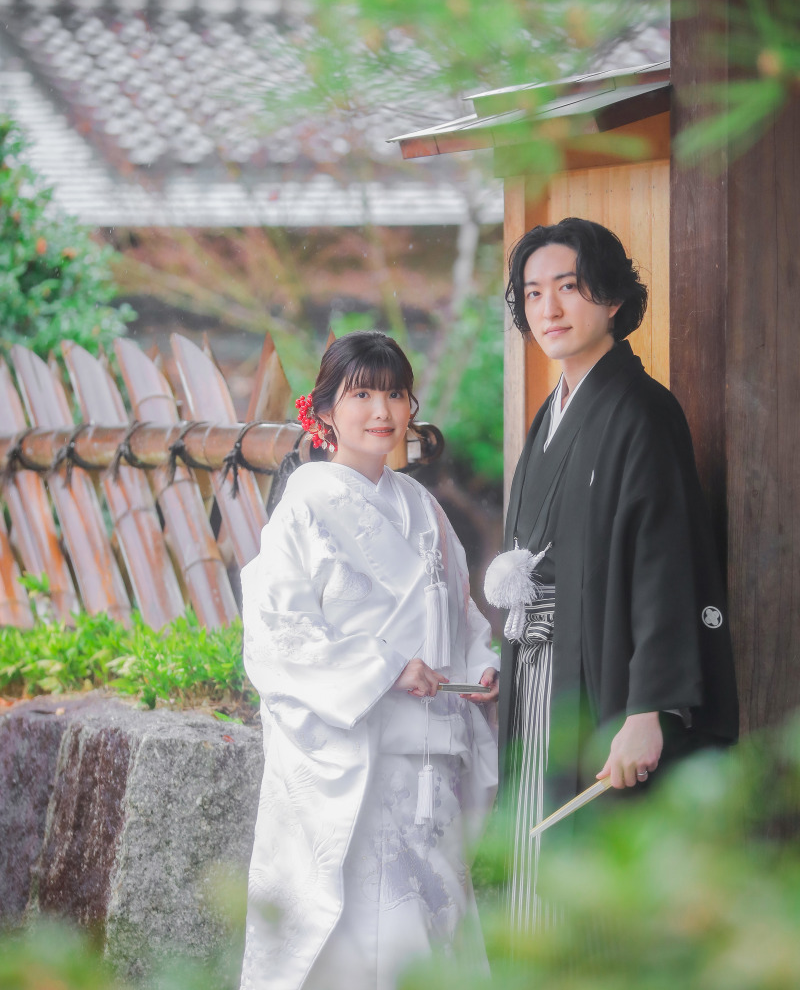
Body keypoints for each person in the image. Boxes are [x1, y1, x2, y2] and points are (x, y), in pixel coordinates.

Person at [485, 218, 738, 932]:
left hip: (605, 682)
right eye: (533, 294)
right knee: (535, 871)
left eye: (569, 288)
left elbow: (668, 566)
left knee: (589, 893)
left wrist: (648, 708)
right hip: (545, 673)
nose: (549, 310)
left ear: (614, 300)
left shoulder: (640, 411)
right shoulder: (553, 411)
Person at [240, 331, 500, 990]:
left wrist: (481, 661)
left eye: (395, 393)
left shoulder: (424, 510)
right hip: (360, 767)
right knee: (366, 945)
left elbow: (461, 616)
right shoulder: (301, 509)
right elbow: (279, 638)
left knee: (435, 935)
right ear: (323, 412)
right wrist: (386, 666)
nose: (382, 411)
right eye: (361, 394)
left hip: (429, 769)